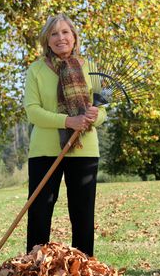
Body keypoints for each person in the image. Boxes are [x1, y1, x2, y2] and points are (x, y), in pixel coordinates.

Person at [23, 13, 107, 257]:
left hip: (85, 150)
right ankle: (34, 270)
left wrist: (93, 116)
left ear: (74, 37)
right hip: (44, 151)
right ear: (47, 41)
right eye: (54, 34)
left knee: (82, 214)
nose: (61, 38)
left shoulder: (90, 67)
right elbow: (33, 112)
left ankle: (84, 273)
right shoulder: (36, 70)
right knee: (39, 212)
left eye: (65, 32)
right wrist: (69, 120)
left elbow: (103, 112)